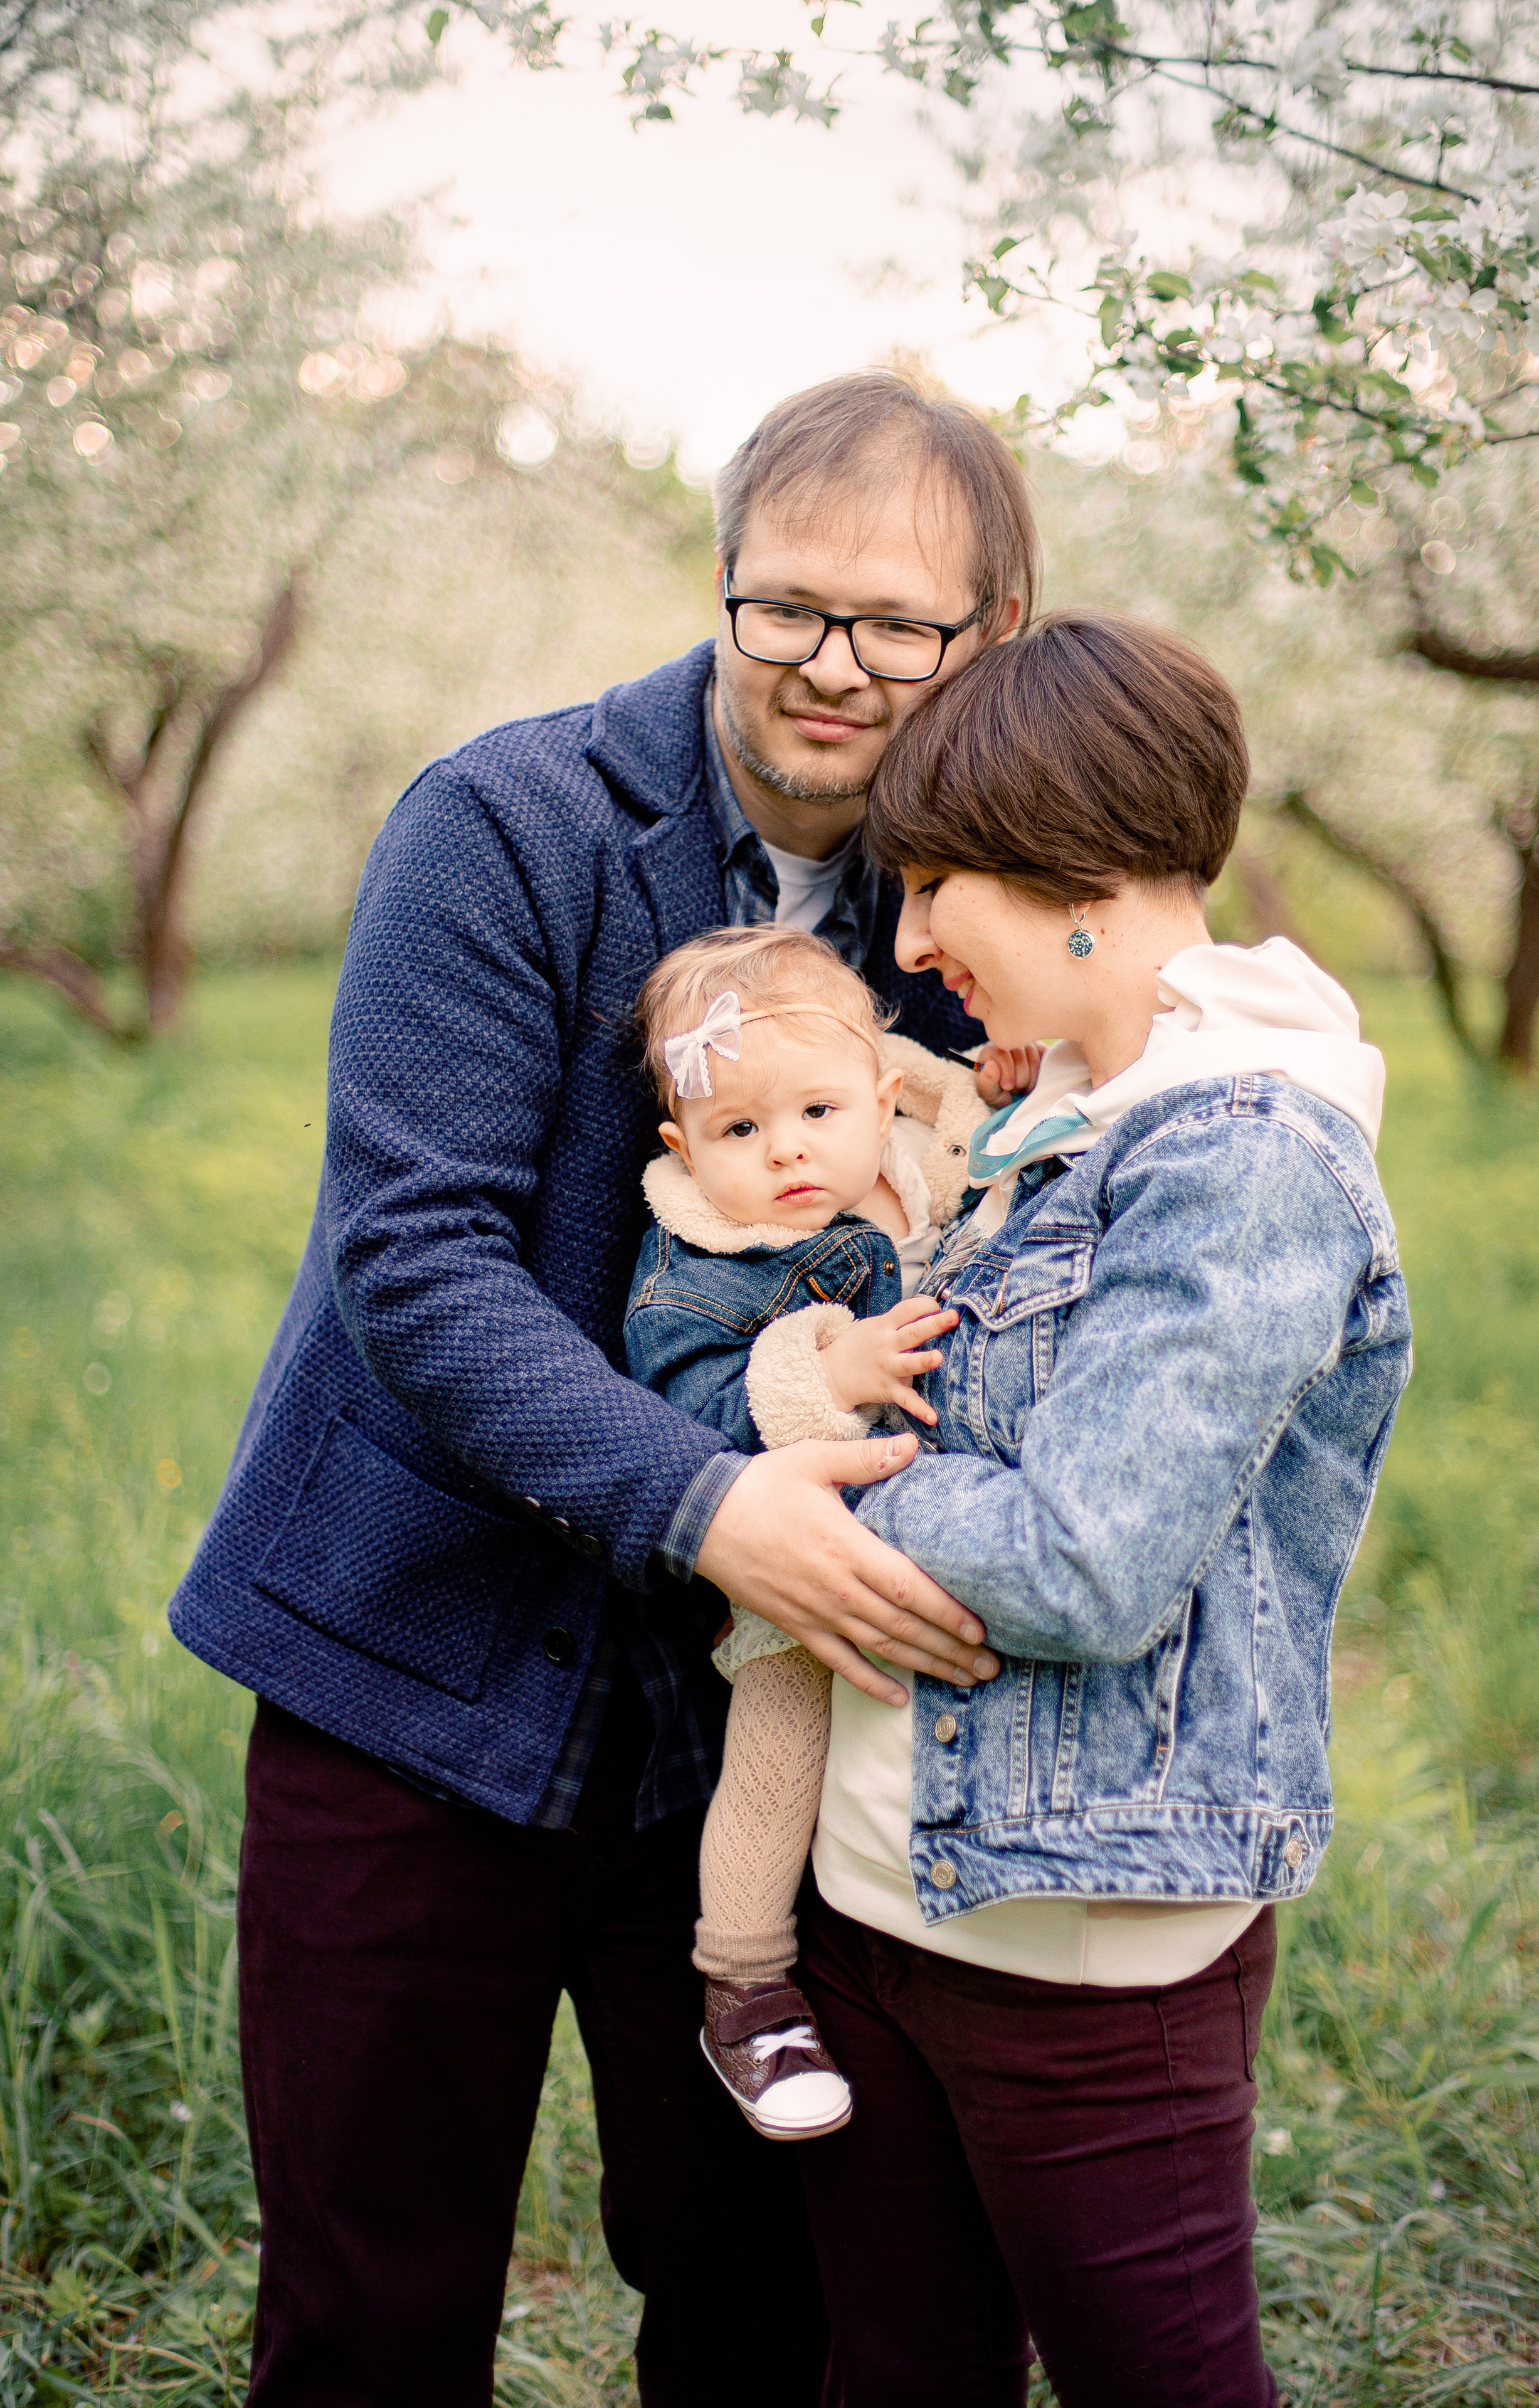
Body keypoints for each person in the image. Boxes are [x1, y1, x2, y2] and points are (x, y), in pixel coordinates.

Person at [166, 371, 1027, 2406]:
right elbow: (417, 1261)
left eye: (899, 623)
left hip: (746, 1736)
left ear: (991, 631)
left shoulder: (973, 908)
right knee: (371, 2316)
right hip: (407, 1668)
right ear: (723, 579)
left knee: (761, 2308)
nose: (835, 665)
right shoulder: (505, 824)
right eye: (787, 603)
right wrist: (715, 1504)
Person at [791, 611, 1414, 2407]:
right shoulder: (1062, 1113)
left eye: (935, 887)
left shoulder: (1241, 1156)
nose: (908, 942)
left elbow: (1085, 1564)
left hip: (1082, 1953)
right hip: (883, 1897)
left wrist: (803, 1495)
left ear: (1074, 869)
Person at [624, 924, 990, 2140]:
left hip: (948, 1537)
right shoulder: (699, 1262)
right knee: (777, 1752)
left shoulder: (924, 1159)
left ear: (882, 1099)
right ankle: (745, 1985)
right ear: (683, 1149)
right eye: (738, 1129)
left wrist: (1005, 1081)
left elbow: (994, 1143)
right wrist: (821, 1372)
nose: (785, 1150)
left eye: (817, 1113)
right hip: (791, 1570)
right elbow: (688, 1416)